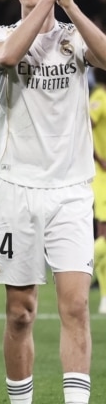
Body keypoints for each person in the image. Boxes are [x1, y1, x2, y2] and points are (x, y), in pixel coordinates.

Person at [0, 0, 106, 404]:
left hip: (73, 191)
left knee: (76, 306)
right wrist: (47, 3)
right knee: (21, 313)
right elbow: (10, 58)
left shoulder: (74, 40)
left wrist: (69, 4)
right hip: (16, 192)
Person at [91, 66, 106, 314]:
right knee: (103, 232)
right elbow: (84, 126)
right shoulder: (100, 97)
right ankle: (75, 265)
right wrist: (98, 158)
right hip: (102, 176)